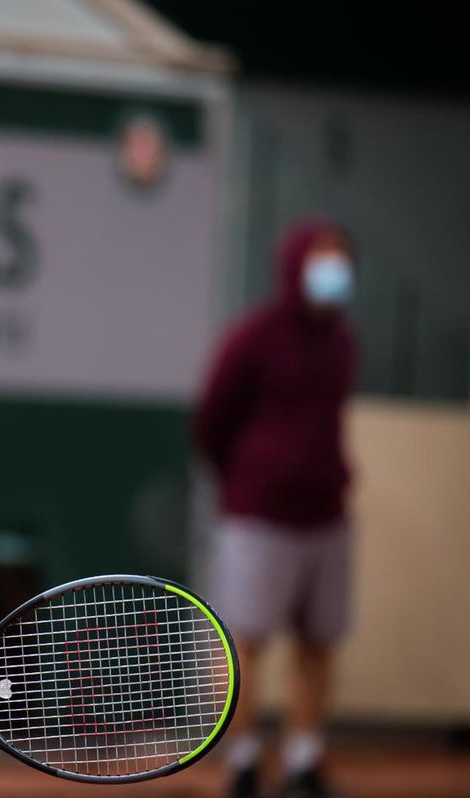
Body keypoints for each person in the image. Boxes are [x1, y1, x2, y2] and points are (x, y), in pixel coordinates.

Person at [193, 218, 357, 798]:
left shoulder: (342, 342)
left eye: (342, 260)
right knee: (245, 643)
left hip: (328, 518)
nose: (335, 272)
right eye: (322, 259)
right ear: (294, 264)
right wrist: (248, 480)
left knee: (320, 642)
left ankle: (304, 759)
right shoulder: (253, 337)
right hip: (258, 517)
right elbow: (212, 418)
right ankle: (241, 761)